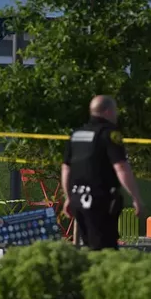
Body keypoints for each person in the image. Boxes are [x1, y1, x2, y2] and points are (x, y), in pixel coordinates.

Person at [61, 95, 143, 250]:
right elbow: (121, 167)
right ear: (107, 111)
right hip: (101, 200)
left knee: (89, 247)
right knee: (106, 249)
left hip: (78, 199)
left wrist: (68, 197)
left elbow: (66, 168)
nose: (116, 115)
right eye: (115, 111)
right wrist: (136, 197)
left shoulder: (76, 134)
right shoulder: (110, 134)